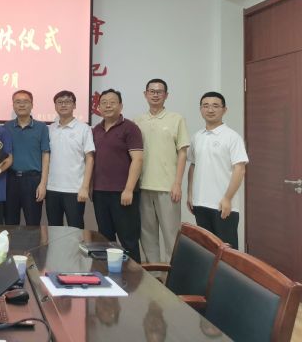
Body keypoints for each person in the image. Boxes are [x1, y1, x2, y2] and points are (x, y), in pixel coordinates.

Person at [134, 79, 190, 263]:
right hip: (143, 186)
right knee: (147, 235)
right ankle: (155, 273)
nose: (155, 95)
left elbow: (182, 153)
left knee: (171, 235)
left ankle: (173, 276)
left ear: (166, 95)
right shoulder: (138, 121)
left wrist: (177, 183)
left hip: (168, 187)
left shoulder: (176, 119)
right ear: (145, 94)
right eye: (152, 91)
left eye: (159, 91)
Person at [187, 91, 248, 249]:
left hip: (223, 205)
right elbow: (193, 165)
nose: (210, 110)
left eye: (215, 106)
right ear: (200, 109)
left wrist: (227, 198)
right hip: (200, 203)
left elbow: (240, 169)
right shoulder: (197, 137)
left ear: (224, 110)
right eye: (205, 106)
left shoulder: (232, 137)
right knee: (206, 250)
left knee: (227, 251)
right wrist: (190, 194)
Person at [91, 89, 143, 262]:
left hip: (123, 193)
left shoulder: (130, 128)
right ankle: (110, 274)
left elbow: (137, 160)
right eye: (104, 102)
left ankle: (135, 276)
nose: (108, 106)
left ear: (120, 106)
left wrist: (128, 189)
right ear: (98, 107)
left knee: (128, 240)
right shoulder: (96, 130)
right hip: (100, 193)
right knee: (105, 239)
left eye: (112, 102)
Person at [46, 90, 94, 230]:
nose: (63, 105)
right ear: (55, 106)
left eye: (67, 102)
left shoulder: (84, 128)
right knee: (54, 229)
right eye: (60, 102)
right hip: (52, 188)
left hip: (75, 189)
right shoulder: (49, 129)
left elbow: (90, 158)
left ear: (74, 105)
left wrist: (85, 187)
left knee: (76, 229)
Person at [5, 90, 50, 225]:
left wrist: (43, 184)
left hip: (33, 181)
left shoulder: (41, 127)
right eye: (18, 102)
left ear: (32, 105)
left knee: (33, 224)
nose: (21, 105)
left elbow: (45, 155)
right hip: (10, 180)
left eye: (25, 101)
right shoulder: (7, 127)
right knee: (10, 223)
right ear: (13, 105)